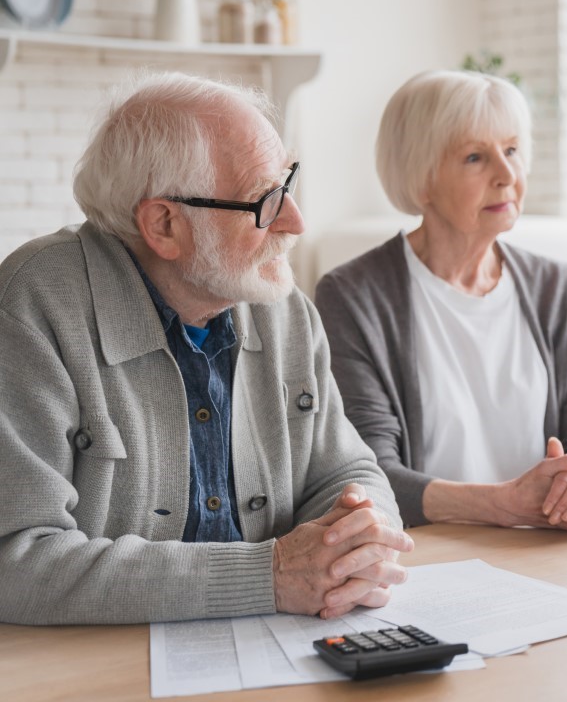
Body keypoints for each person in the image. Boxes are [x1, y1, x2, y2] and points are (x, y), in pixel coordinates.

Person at [0, 73, 411, 625]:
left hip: (281, 648)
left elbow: (345, 471)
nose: (295, 220)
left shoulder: (280, 304)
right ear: (164, 224)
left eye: (287, 184)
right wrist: (269, 576)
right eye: (265, 199)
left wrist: (363, 541)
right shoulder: (35, 304)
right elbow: (16, 559)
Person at [315, 70, 567, 530]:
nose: (507, 175)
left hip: (545, 545)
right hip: (429, 555)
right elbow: (369, 470)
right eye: (476, 157)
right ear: (422, 179)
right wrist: (499, 504)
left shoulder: (556, 287)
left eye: (513, 150)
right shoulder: (353, 296)